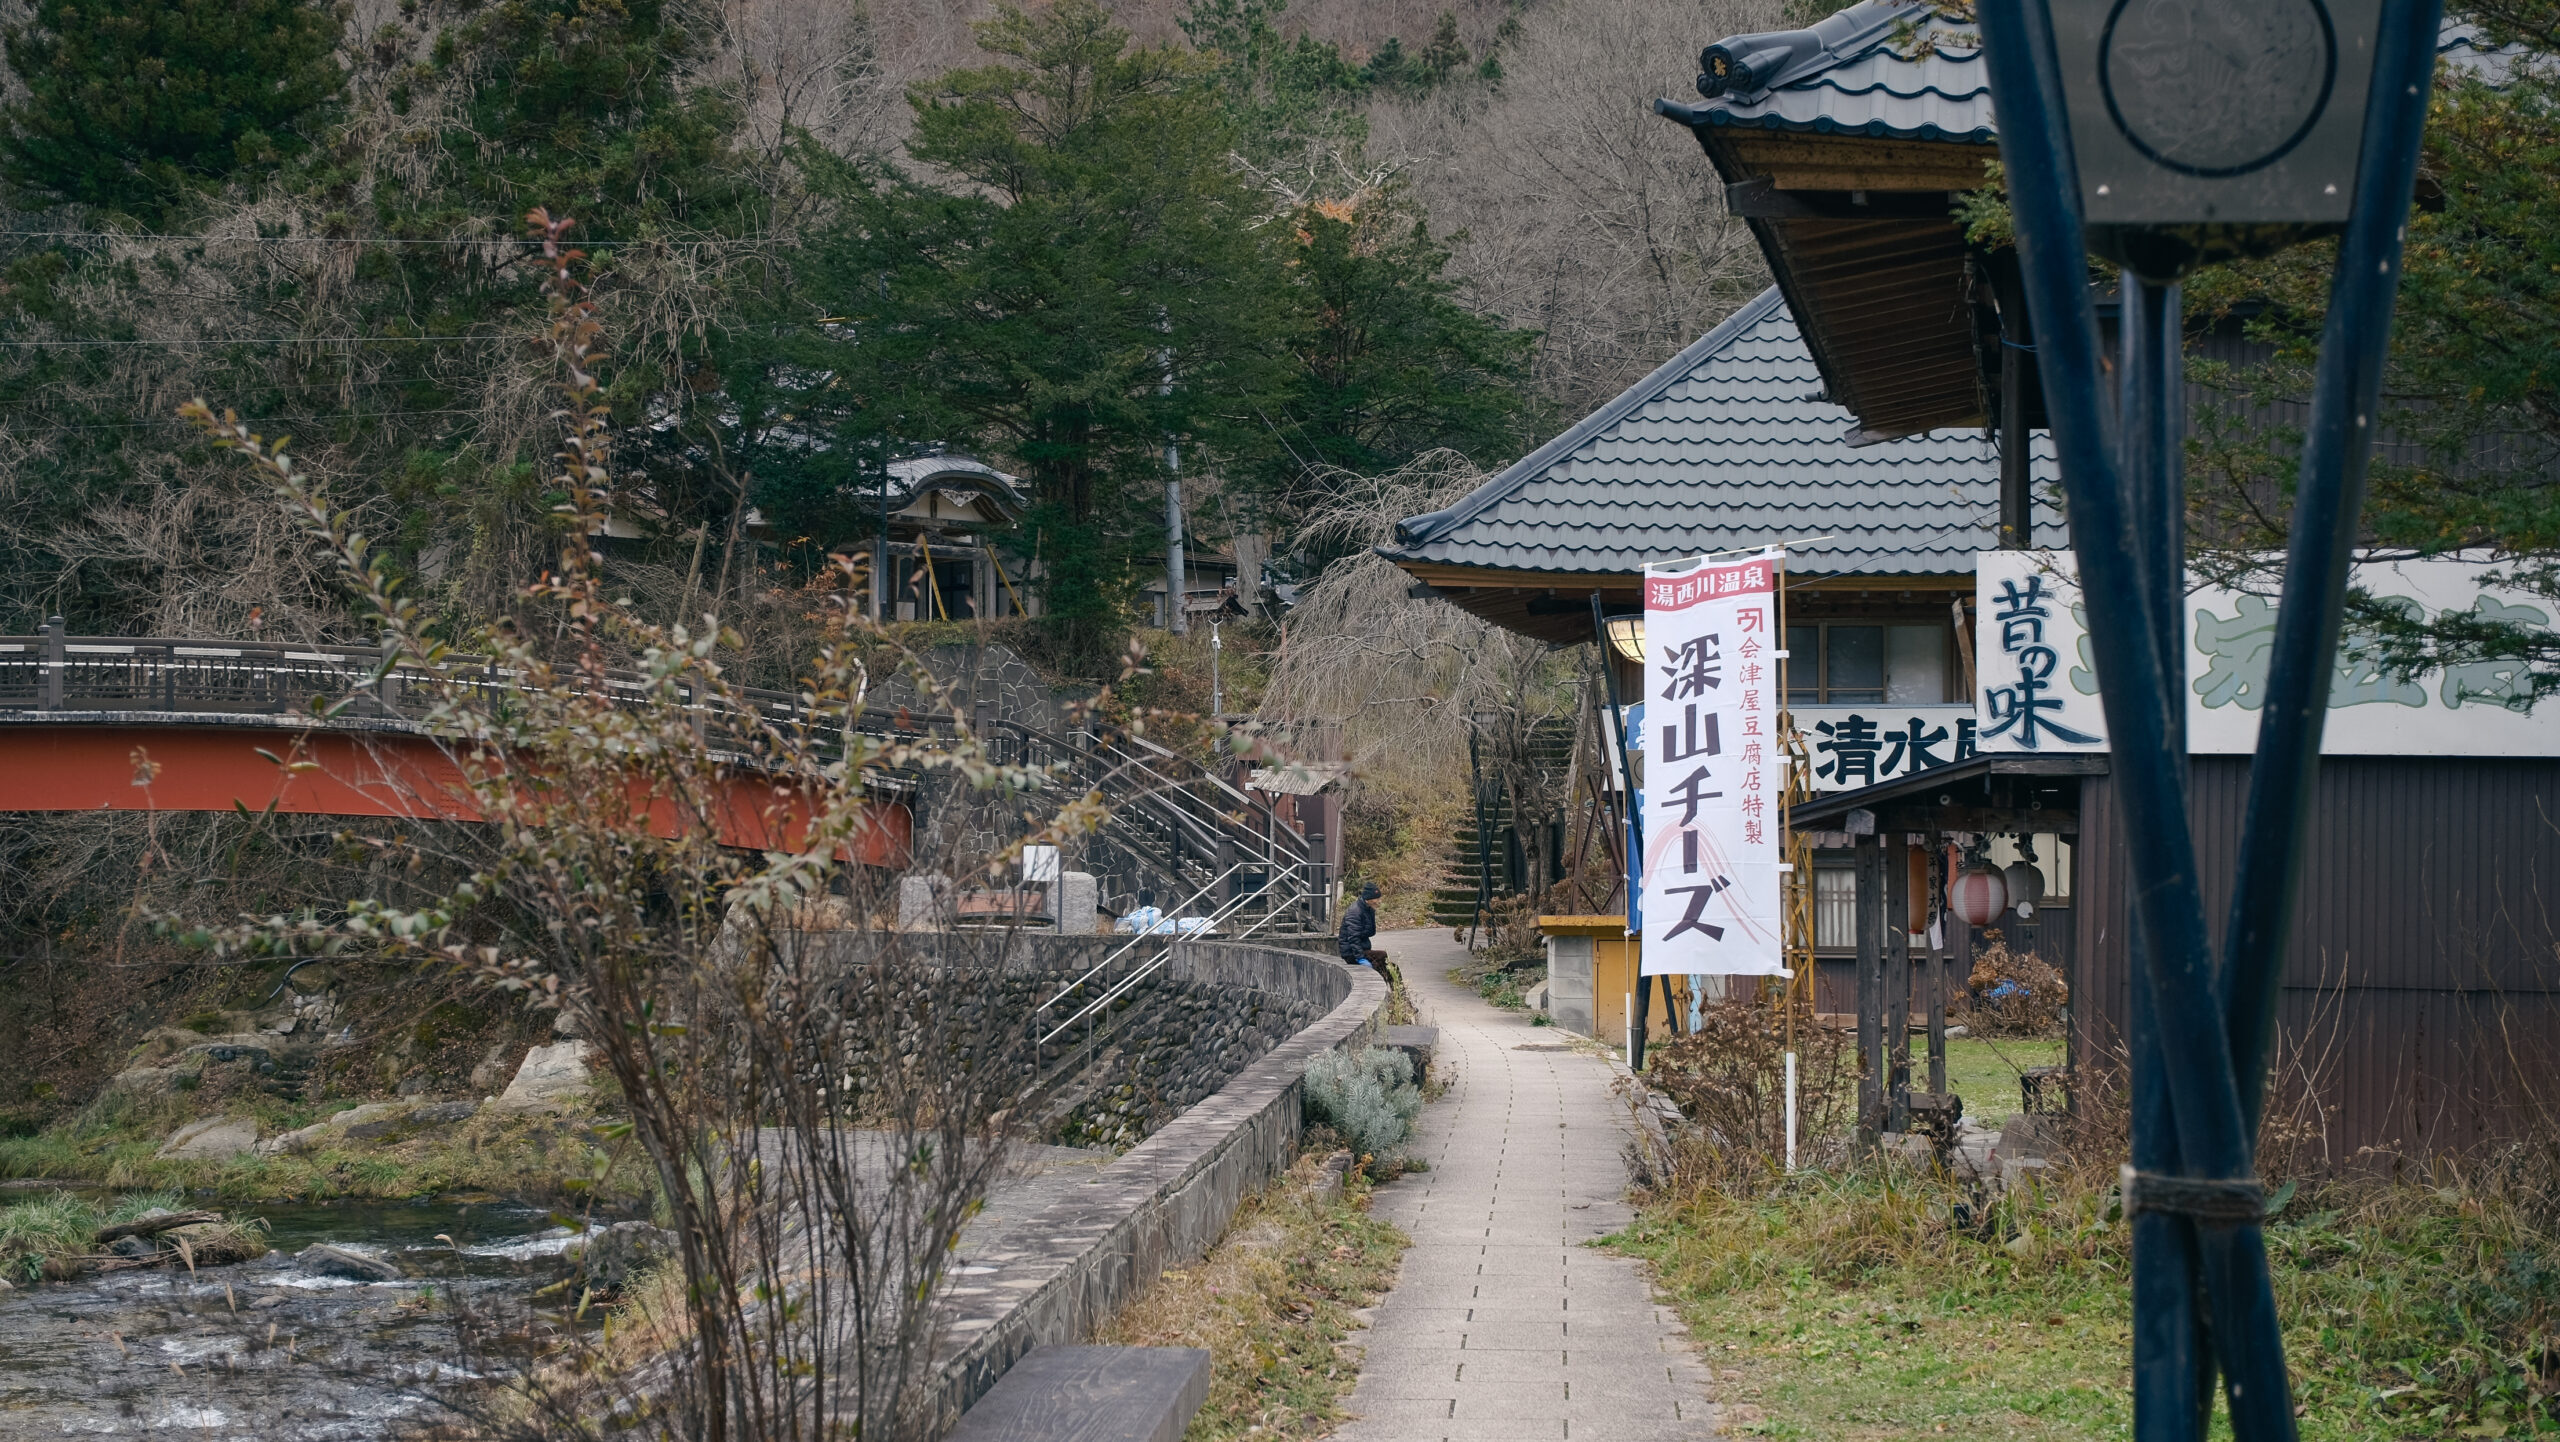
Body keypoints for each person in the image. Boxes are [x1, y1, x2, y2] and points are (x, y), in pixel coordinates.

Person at [1338, 882, 1381, 967]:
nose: (1379, 902)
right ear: (1369, 899)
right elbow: (1353, 938)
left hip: (1362, 949)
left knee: (1385, 963)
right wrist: (1360, 958)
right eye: (1377, 899)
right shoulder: (1355, 912)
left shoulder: (1368, 909)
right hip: (1351, 952)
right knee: (1381, 957)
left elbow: (1371, 932)